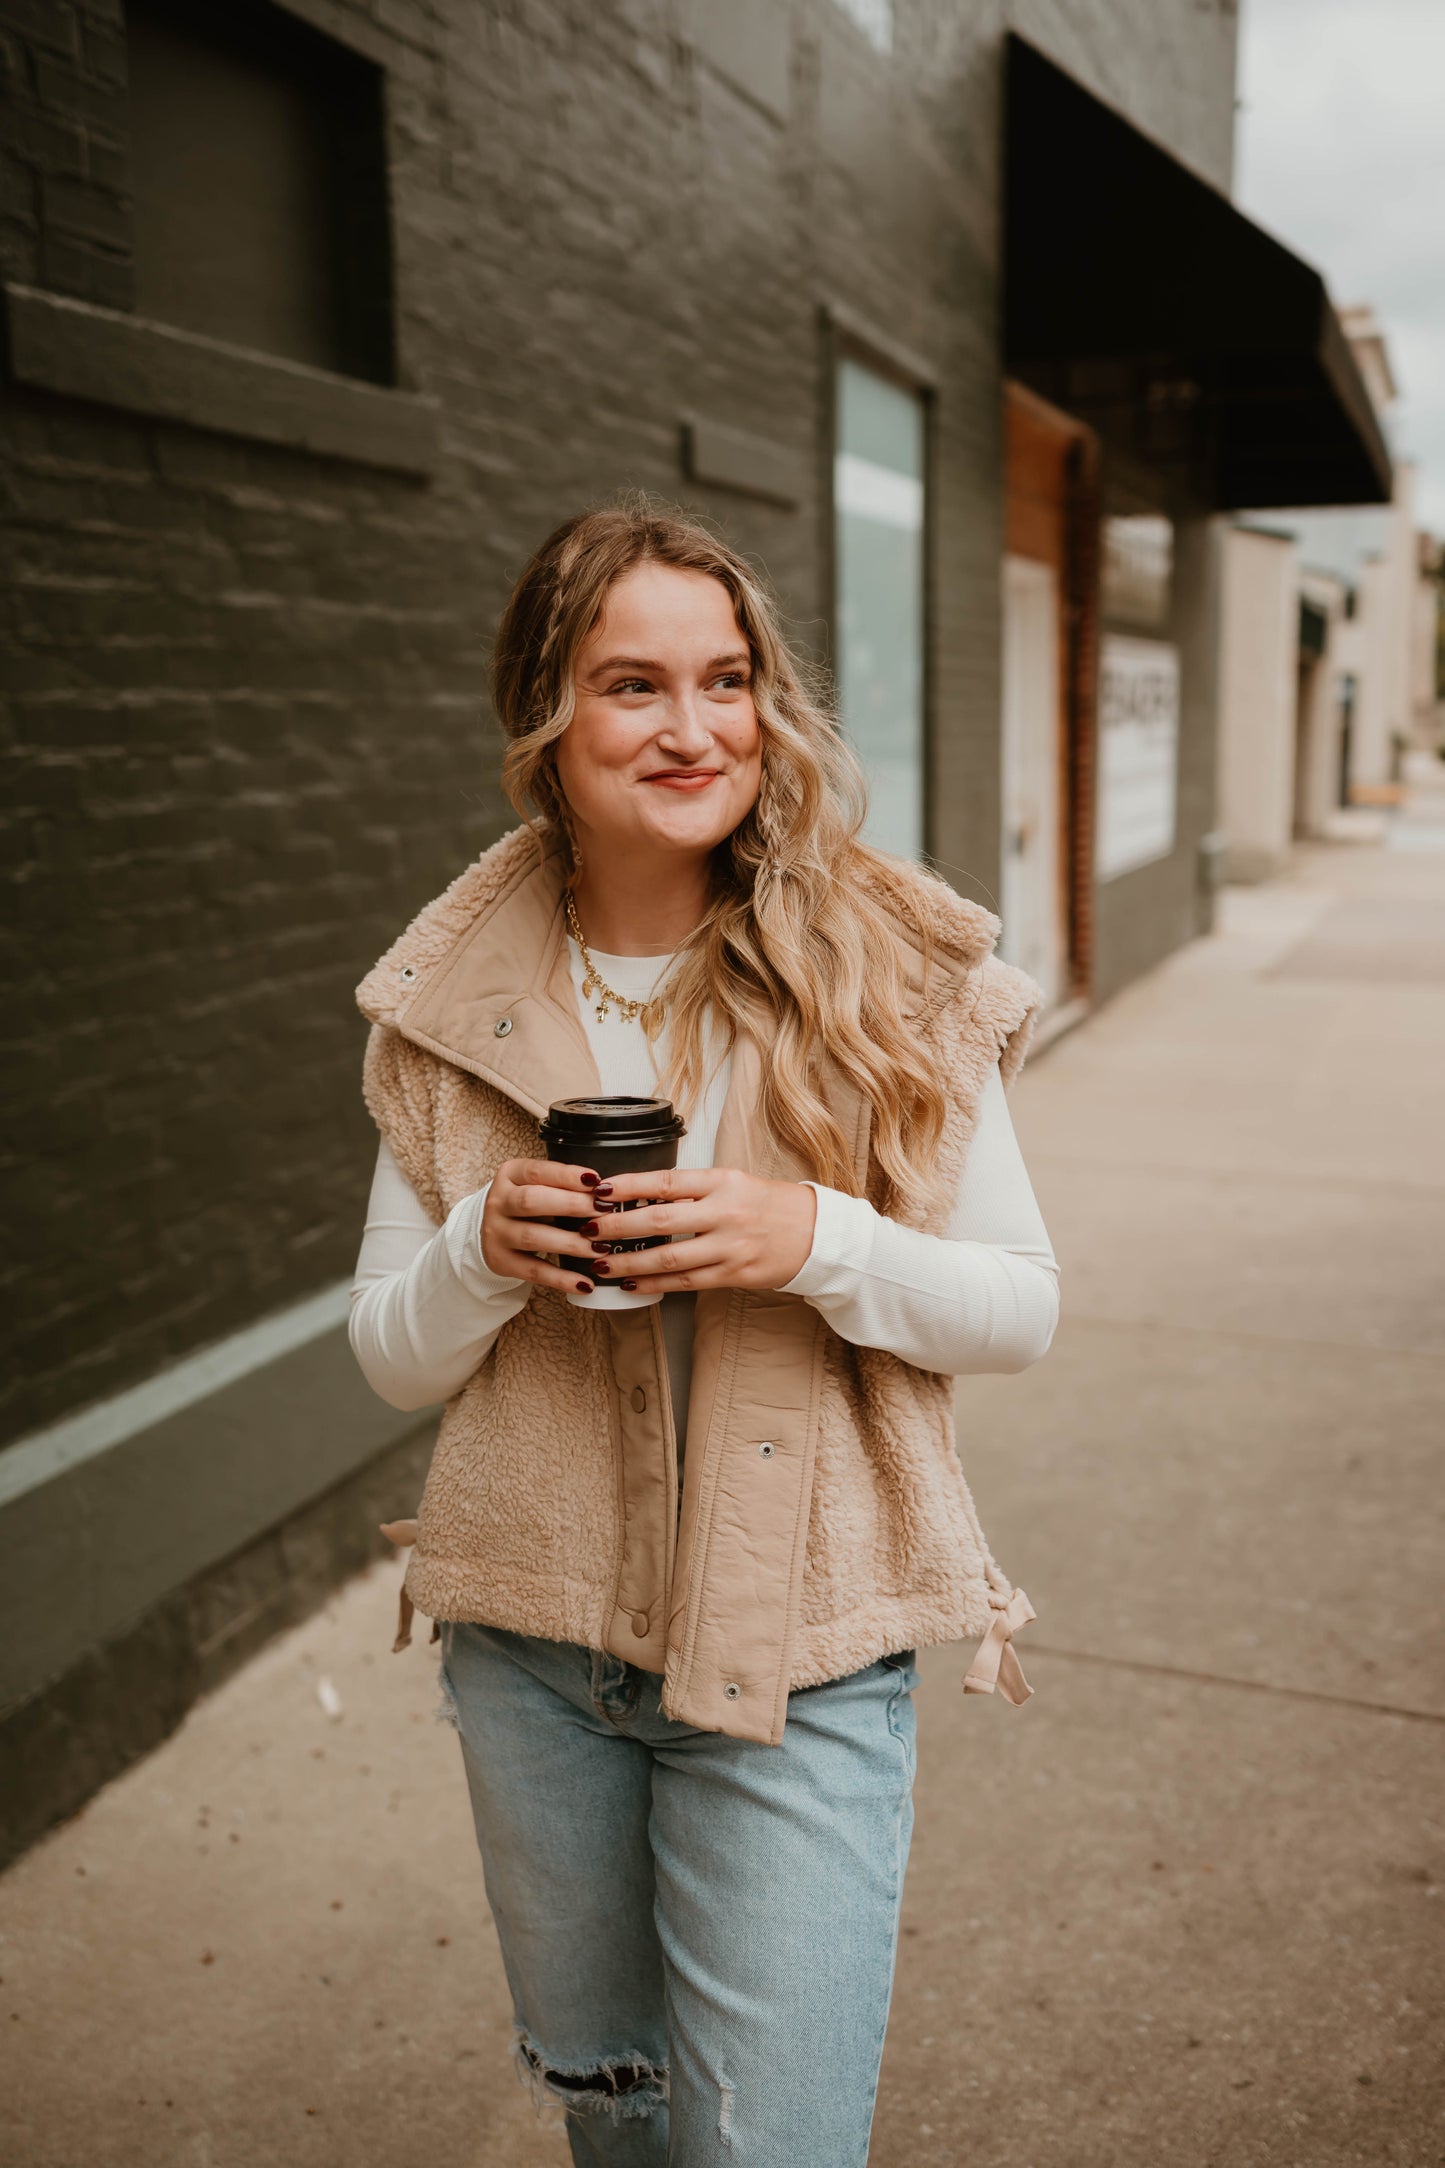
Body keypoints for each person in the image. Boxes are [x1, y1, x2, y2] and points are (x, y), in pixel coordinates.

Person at [348, 499, 1059, 2166]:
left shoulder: (879, 969)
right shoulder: (448, 1002)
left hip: (798, 1655)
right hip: (535, 1647)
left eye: (726, 680)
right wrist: (483, 1246)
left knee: (768, 2145)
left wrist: (806, 1236)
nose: (693, 731)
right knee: (621, 2117)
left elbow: (1019, 1305)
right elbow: (390, 1354)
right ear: (545, 716)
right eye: (632, 687)